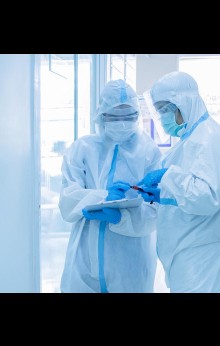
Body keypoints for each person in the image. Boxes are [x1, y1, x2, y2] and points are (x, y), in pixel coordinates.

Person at [58, 79, 161, 293]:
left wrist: (122, 218)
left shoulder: (149, 152)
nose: (122, 122)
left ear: (137, 116)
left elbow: (155, 210)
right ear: (101, 116)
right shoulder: (83, 149)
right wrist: (103, 196)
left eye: (128, 116)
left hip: (132, 261)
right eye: (114, 116)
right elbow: (68, 200)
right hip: (84, 259)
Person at [137, 71, 220, 293]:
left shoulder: (209, 138)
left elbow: (207, 197)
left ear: (183, 102)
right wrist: (163, 195)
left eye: (165, 109)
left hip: (202, 263)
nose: (162, 116)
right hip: (188, 259)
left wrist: (166, 176)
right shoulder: (191, 139)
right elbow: (189, 192)